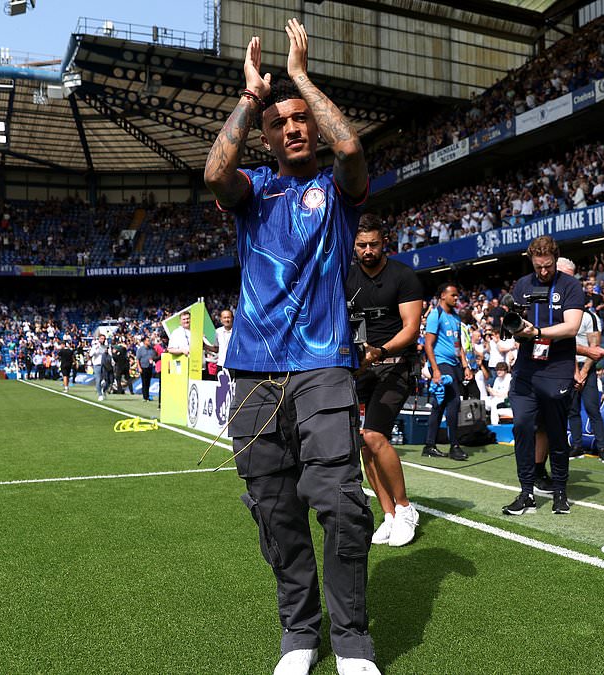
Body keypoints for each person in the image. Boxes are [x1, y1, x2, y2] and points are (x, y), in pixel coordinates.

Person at [202, 18, 378, 675]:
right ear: (268, 135)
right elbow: (213, 170)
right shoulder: (253, 193)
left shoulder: (335, 192)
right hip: (251, 372)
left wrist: (300, 76)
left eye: (301, 118)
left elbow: (353, 150)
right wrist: (252, 97)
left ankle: (353, 640)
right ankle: (300, 633)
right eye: (283, 122)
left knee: (340, 504)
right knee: (274, 512)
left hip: (323, 366)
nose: (295, 127)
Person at [347, 215, 425, 547]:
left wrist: (380, 350)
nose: (367, 251)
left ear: (385, 243)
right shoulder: (346, 277)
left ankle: (406, 509)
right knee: (362, 443)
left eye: (373, 244)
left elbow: (411, 329)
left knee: (375, 435)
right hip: (361, 366)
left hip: (396, 364)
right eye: (361, 245)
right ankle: (389, 514)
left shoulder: (403, 276)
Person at [500, 235, 585, 517]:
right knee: (522, 427)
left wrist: (537, 332)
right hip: (526, 369)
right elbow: (514, 321)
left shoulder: (570, 285)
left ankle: (560, 491)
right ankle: (526, 492)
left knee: (556, 431)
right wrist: (514, 327)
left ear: (555, 259)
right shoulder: (523, 285)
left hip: (557, 368)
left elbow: (571, 327)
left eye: (548, 266)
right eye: (538, 267)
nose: (543, 272)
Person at [564, 258, 604, 462]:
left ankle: (602, 448)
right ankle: (576, 446)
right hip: (568, 365)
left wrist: (582, 373)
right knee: (572, 410)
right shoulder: (563, 317)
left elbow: (595, 347)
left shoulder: (590, 317)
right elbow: (565, 344)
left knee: (592, 408)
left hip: (586, 366)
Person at [422, 282, 472, 461]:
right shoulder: (436, 315)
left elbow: (458, 346)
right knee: (453, 402)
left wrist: (465, 365)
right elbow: (428, 344)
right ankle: (454, 446)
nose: (456, 298)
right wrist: (435, 370)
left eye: (457, 295)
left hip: (454, 364)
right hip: (442, 364)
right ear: (443, 295)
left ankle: (429, 445)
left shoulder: (456, 318)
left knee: (439, 405)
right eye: (453, 295)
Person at [89, 334, 111, 401]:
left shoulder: (106, 347)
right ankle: (100, 395)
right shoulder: (95, 346)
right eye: (101, 338)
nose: (103, 340)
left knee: (107, 380)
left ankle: (104, 390)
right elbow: (90, 354)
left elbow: (110, 355)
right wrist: (96, 349)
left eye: (104, 339)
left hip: (105, 365)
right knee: (98, 380)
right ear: (99, 339)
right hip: (97, 364)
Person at [135, 336, 157, 401]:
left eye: (149, 340)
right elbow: (138, 359)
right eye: (147, 340)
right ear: (144, 342)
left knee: (148, 382)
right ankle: (145, 397)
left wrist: (152, 359)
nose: (149, 342)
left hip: (149, 367)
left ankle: (147, 395)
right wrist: (139, 367)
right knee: (144, 382)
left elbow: (154, 356)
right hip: (143, 367)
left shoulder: (152, 349)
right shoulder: (140, 349)